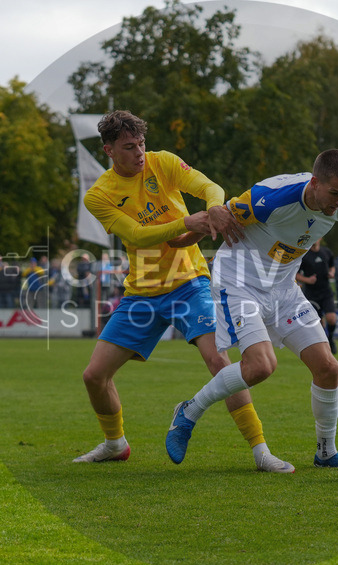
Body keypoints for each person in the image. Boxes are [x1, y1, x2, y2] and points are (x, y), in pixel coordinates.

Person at [74, 110, 292, 473]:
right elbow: (137, 235)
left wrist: (214, 209)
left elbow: (210, 187)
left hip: (190, 282)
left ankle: (261, 451)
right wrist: (187, 222)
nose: (139, 153)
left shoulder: (162, 162)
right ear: (108, 150)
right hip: (141, 293)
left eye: (141, 143)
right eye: (129, 147)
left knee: (219, 361)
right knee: (93, 376)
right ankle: (115, 444)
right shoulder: (98, 195)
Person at [165, 149, 338, 470]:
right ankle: (189, 411)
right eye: (335, 193)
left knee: (328, 368)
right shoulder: (271, 198)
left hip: (283, 289)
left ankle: (325, 452)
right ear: (314, 183)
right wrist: (183, 240)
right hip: (239, 283)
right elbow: (219, 217)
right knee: (261, 366)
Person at [296, 238, 338, 355]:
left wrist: (332, 273)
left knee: (331, 318)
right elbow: (296, 274)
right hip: (311, 294)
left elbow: (332, 266)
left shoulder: (326, 252)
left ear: (320, 238)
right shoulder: (304, 255)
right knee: (318, 324)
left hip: (326, 292)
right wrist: (307, 280)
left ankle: (331, 339)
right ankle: (324, 346)